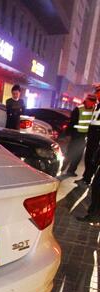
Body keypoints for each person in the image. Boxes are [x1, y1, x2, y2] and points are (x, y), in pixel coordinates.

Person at [77, 84, 100, 224]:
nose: (97, 94)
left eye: (98, 92)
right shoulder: (97, 107)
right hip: (95, 142)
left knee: (97, 185)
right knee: (96, 185)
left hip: (97, 142)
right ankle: (93, 214)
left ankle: (94, 215)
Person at [60, 93, 97, 178]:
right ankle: (62, 167)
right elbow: (72, 122)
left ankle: (71, 171)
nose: (91, 103)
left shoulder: (93, 110)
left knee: (78, 155)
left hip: (84, 136)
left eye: (93, 102)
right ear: (86, 100)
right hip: (76, 134)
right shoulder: (78, 109)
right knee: (70, 153)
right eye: (90, 101)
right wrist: (69, 134)